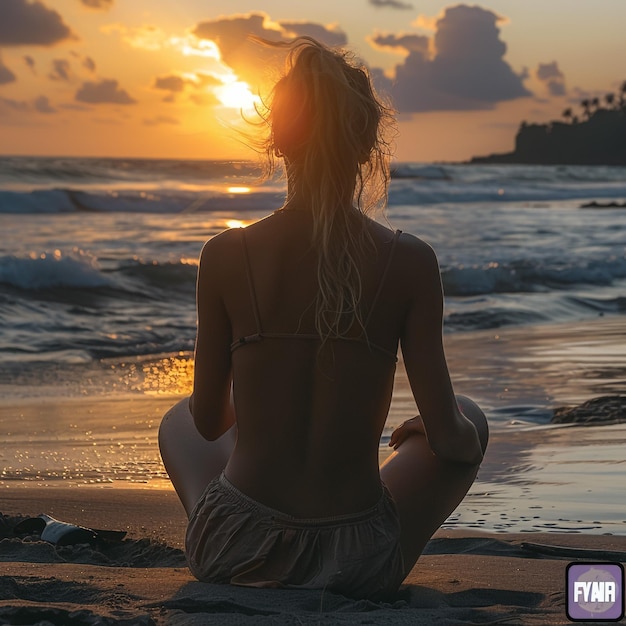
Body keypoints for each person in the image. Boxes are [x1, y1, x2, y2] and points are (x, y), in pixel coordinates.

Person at [159, 36, 488, 600]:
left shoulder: (224, 254)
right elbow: (454, 446)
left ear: (279, 143)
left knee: (178, 421)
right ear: (367, 147)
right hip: (356, 559)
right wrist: (432, 430)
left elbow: (210, 421)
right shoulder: (409, 261)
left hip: (234, 547)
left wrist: (265, 412)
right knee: (469, 418)